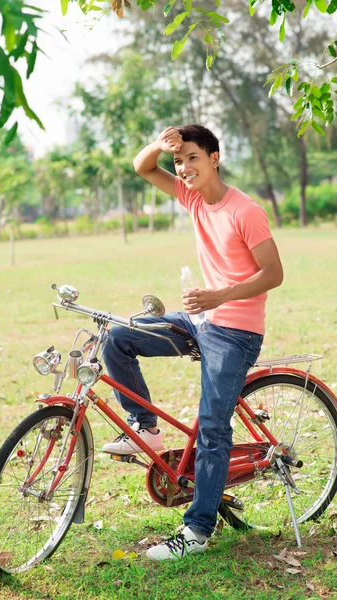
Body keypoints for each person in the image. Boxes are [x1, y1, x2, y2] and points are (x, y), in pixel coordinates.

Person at [102, 124, 283, 561]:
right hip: (200, 319)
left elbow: (274, 274)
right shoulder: (193, 198)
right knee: (118, 337)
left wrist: (219, 295)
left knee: (213, 428)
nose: (183, 169)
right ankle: (146, 428)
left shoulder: (246, 210)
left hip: (236, 329)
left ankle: (198, 531)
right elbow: (143, 166)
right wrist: (162, 145)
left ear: (214, 159)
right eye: (180, 161)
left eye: (192, 159)